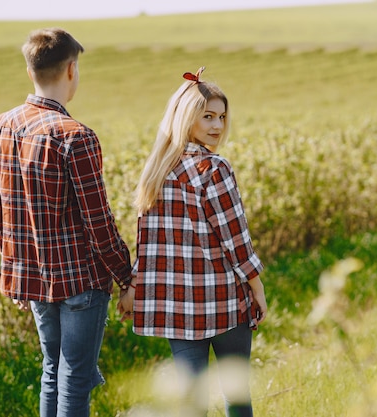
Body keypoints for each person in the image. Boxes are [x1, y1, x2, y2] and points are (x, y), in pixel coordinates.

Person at [0, 28, 133, 417]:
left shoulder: (0, 126)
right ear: (71, 70)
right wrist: (128, 278)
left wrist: (15, 270)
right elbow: (99, 223)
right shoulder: (75, 136)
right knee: (75, 378)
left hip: (33, 278)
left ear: (31, 70)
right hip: (80, 281)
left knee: (52, 371)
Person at [118, 67, 268, 417]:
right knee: (238, 395)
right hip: (223, 301)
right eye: (208, 117)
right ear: (187, 119)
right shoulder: (214, 168)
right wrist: (257, 286)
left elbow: (147, 246)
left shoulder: (155, 171)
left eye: (222, 117)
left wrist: (132, 286)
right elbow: (236, 239)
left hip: (176, 308)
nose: (217, 126)